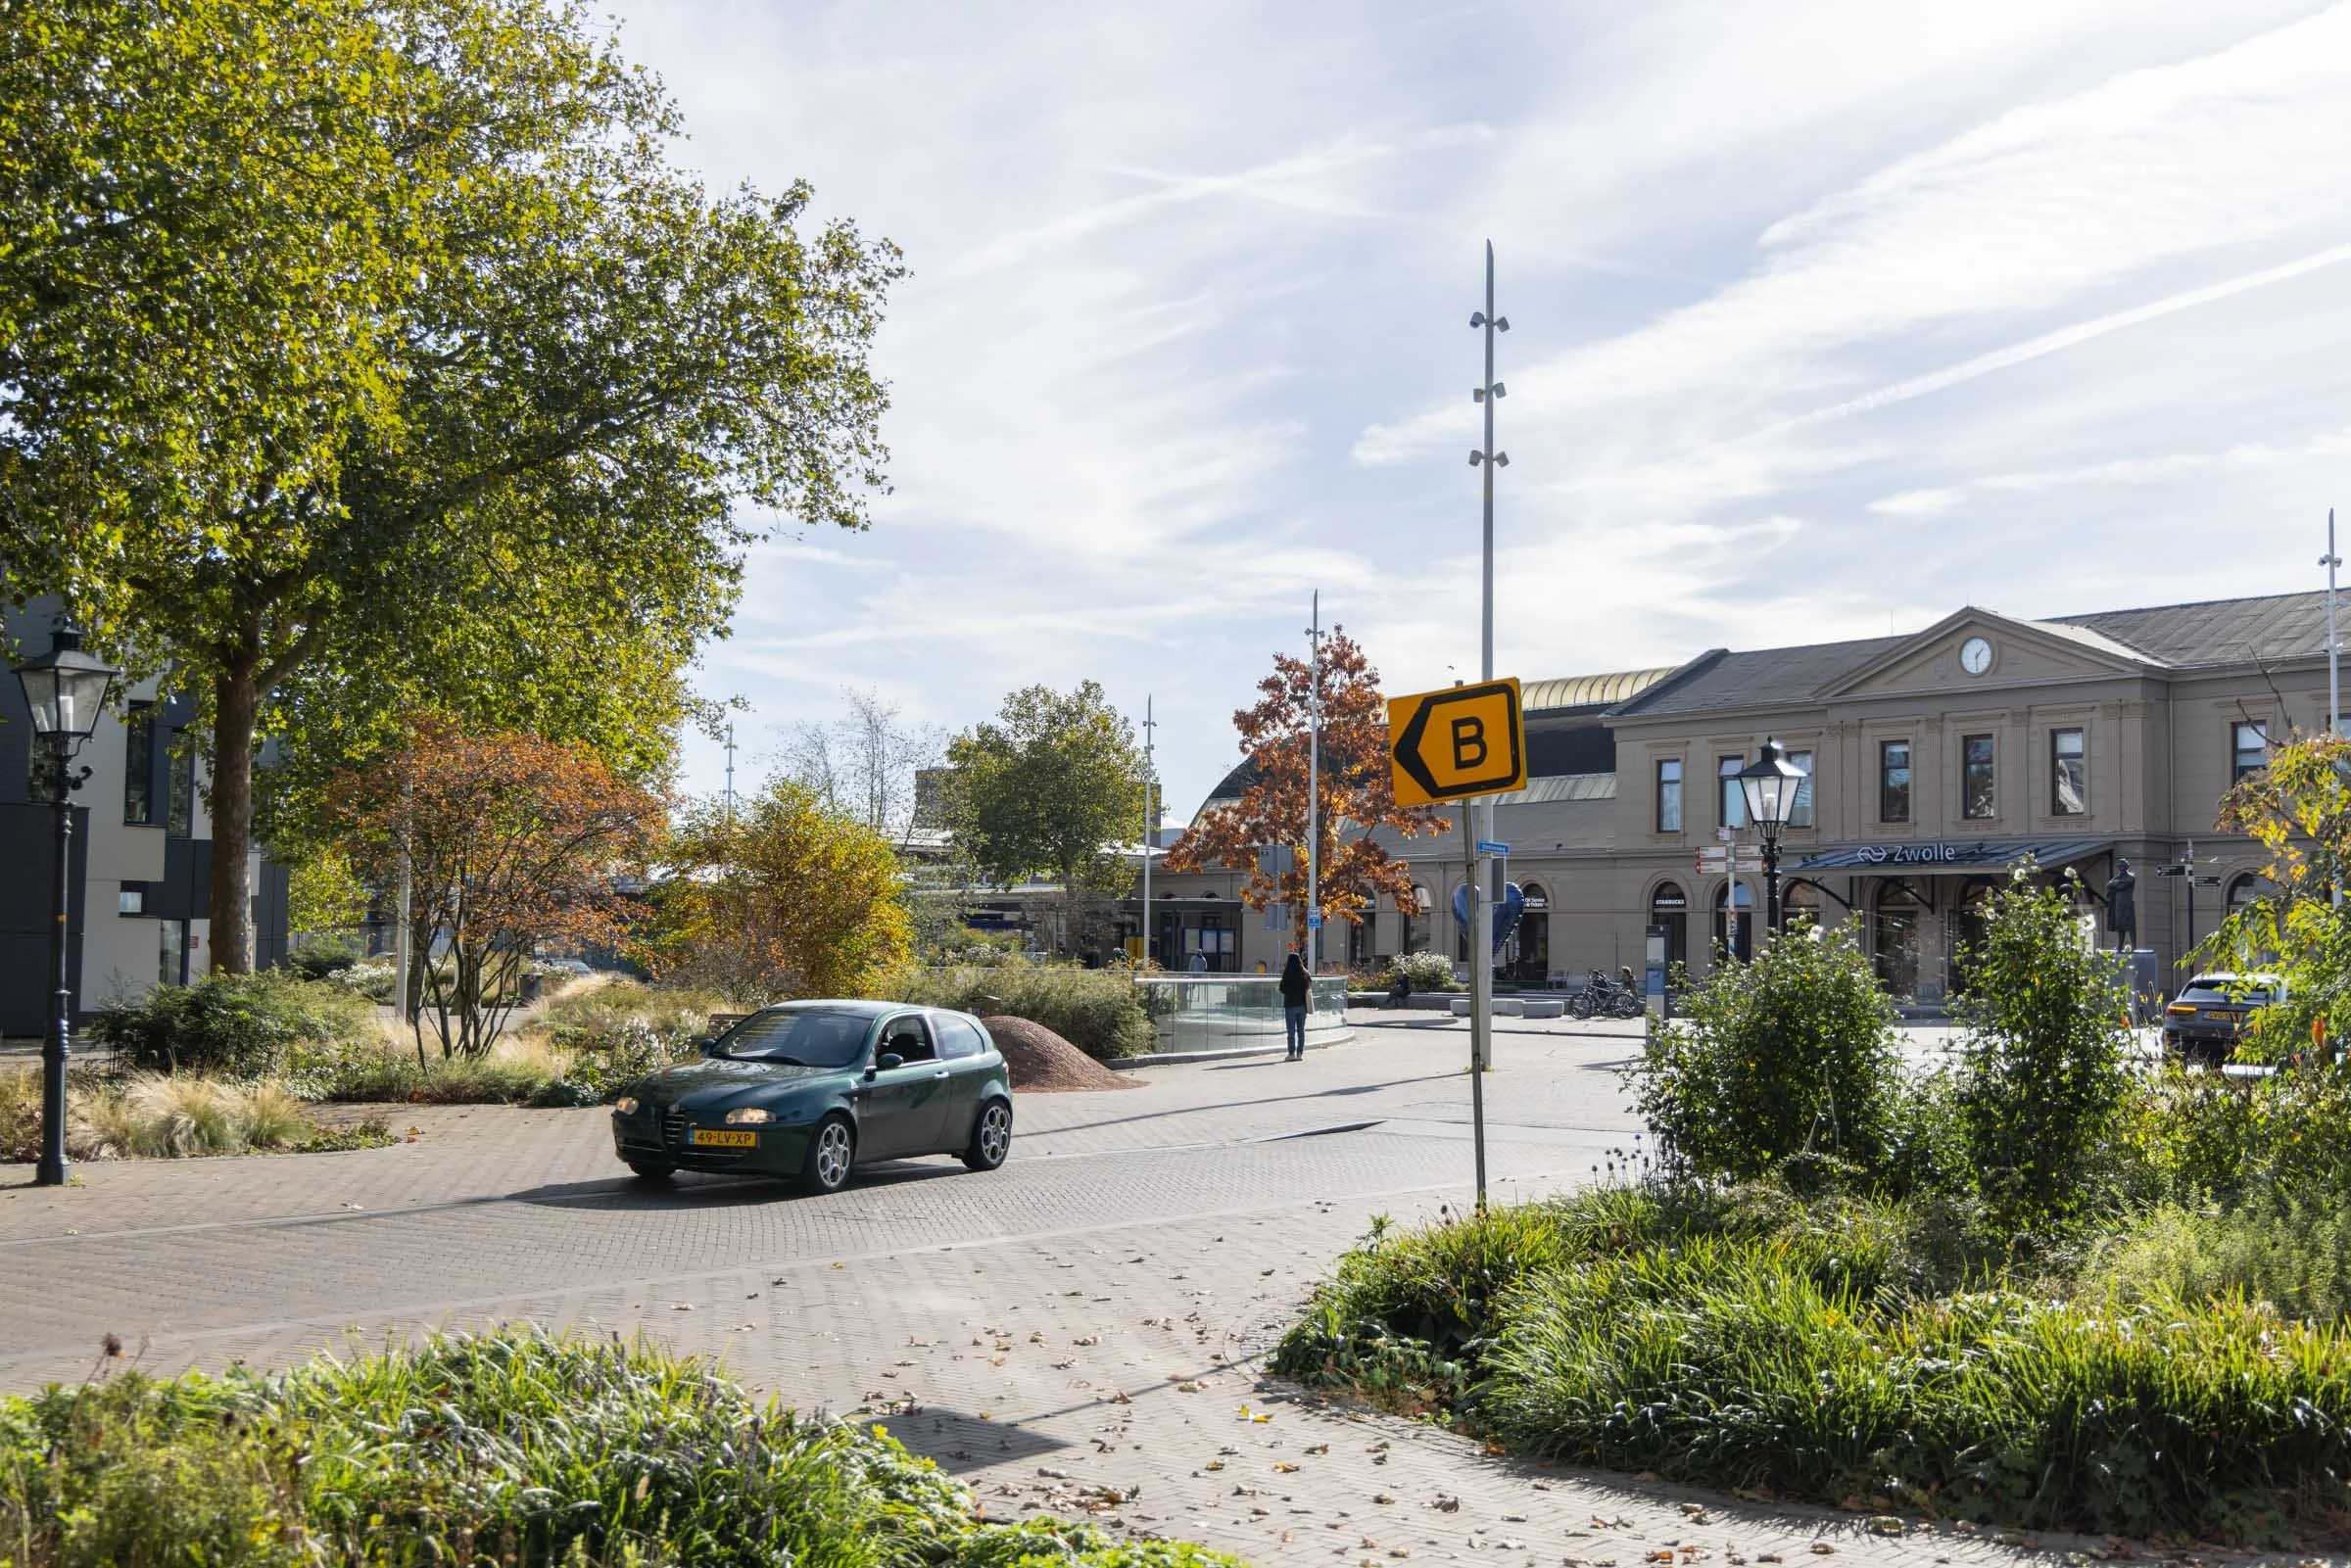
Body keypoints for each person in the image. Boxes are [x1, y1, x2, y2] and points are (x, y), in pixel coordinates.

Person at [1278, 951, 1311, 1061]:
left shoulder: (1287, 974)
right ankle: (1300, 1053)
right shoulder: (1304, 974)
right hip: (1302, 1005)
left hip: (1290, 1006)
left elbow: (1281, 989)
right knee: (1301, 1030)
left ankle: (1291, 1053)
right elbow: (1309, 986)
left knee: (1291, 1032)